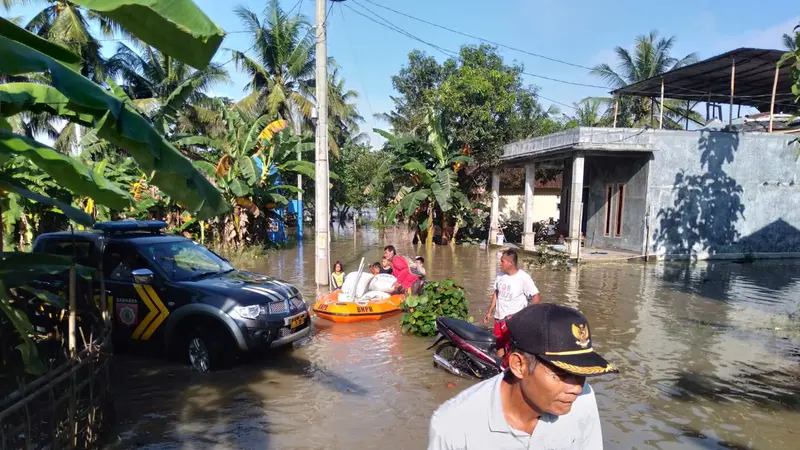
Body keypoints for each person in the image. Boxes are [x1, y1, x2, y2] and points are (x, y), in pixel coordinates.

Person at [428, 304, 618, 449]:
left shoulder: (584, 399)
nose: (576, 388)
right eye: (561, 374)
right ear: (518, 365)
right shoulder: (452, 426)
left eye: (580, 374)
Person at [484, 249, 541, 359]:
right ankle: (500, 367)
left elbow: (536, 297)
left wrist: (525, 315)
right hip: (498, 318)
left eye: (502, 261)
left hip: (512, 320)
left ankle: (511, 369)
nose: (500, 264)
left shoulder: (523, 278)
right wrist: (489, 312)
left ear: (510, 263)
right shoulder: (500, 275)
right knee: (499, 343)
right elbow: (496, 293)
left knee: (513, 347)